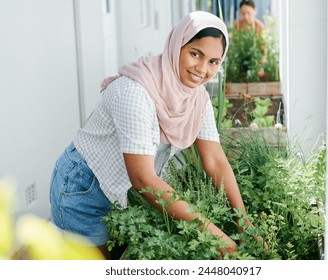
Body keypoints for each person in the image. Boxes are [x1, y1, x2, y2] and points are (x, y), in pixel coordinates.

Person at [49, 11, 263, 259]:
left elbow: (215, 160)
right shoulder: (135, 92)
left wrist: (243, 221)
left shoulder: (196, 97)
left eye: (214, 61)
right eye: (196, 54)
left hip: (123, 190)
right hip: (85, 186)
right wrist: (210, 233)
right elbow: (143, 178)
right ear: (176, 46)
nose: (203, 69)